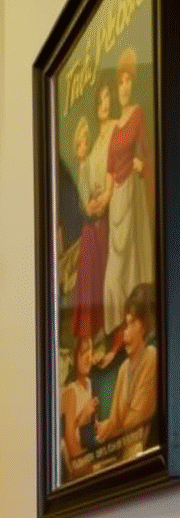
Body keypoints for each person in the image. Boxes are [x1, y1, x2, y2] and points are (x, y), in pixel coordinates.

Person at [103, 49, 154, 335]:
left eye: (128, 81)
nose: (124, 87)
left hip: (131, 195)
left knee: (132, 263)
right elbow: (110, 169)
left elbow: (147, 151)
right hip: (116, 203)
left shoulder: (137, 114)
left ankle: (137, 325)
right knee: (113, 272)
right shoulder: (113, 128)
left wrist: (142, 163)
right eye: (120, 82)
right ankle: (116, 327)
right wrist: (102, 199)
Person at [71, 82, 114, 342]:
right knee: (89, 274)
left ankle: (95, 327)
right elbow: (84, 202)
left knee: (96, 273)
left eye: (84, 144)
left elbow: (92, 195)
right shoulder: (81, 169)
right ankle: (87, 328)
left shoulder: (90, 162)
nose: (82, 149)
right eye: (79, 145)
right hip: (91, 223)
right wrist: (92, 205)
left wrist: (96, 202)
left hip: (97, 221)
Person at [95, 281, 157, 459]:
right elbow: (115, 420)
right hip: (124, 459)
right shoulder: (123, 369)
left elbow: (137, 417)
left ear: (144, 326)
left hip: (143, 457)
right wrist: (105, 427)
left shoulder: (151, 357)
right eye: (125, 325)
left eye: (132, 323)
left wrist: (113, 426)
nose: (125, 334)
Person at [61, 335, 100, 466]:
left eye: (90, 352)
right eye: (84, 353)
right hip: (76, 460)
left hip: (89, 448)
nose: (88, 358)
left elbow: (94, 427)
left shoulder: (90, 384)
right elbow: (70, 442)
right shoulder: (71, 392)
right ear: (75, 357)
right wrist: (82, 416)